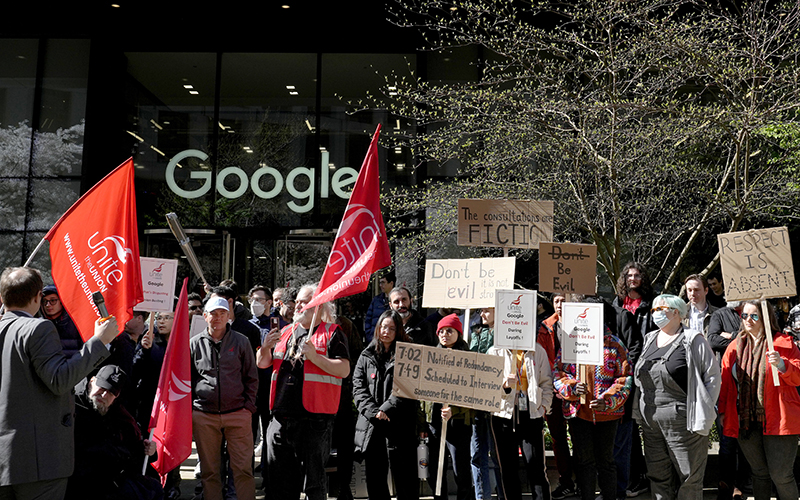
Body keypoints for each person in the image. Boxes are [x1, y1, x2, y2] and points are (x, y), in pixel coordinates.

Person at [0, 266, 118, 499]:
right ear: (37, 297)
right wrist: (100, 341)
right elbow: (59, 380)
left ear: (2, 297)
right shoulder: (39, 328)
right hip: (38, 462)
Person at [259, 283, 350, 500]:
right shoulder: (285, 332)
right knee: (280, 482)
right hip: (281, 418)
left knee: (314, 484)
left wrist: (316, 357)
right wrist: (264, 348)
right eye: (297, 301)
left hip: (314, 421)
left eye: (304, 302)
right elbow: (263, 364)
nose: (298, 306)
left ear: (319, 306)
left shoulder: (333, 333)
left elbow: (345, 369)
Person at [632, 294, 720, 500]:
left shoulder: (693, 339)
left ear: (676, 313)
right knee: (658, 476)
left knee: (689, 477)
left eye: (661, 309)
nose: (656, 314)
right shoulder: (649, 338)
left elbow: (713, 377)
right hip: (651, 422)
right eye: (654, 310)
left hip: (683, 421)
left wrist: (704, 410)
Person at [718, 300, 800, 500]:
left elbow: (798, 376)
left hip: (779, 419)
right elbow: (726, 383)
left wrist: (782, 364)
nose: (748, 320)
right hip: (746, 420)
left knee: (781, 476)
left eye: (754, 316)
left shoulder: (783, 342)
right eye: (744, 315)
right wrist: (722, 411)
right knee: (759, 474)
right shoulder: (734, 347)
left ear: (765, 318)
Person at [554, 297, 632, 500]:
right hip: (579, 413)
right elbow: (559, 372)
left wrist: (607, 400)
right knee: (584, 461)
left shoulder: (615, 345)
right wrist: (572, 387)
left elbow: (624, 378)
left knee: (606, 462)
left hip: (608, 415)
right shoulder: (571, 343)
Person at [191, 296, 259, 500]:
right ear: (205, 316)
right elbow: (188, 379)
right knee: (210, 471)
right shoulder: (194, 343)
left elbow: (251, 377)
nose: (218, 317)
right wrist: (193, 410)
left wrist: (248, 407)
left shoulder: (241, 341)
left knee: (243, 470)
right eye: (213, 313)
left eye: (222, 313)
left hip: (238, 413)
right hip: (204, 415)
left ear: (229, 316)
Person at [66, 364, 161, 500]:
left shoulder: (118, 413)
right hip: (79, 480)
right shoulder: (70, 405)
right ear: (92, 381)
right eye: (102, 388)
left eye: (111, 392)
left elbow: (131, 447)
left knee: (152, 489)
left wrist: (147, 450)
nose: (104, 395)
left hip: (111, 479)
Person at [353, 310, 420, 500]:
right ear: (377, 328)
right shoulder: (366, 355)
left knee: (405, 478)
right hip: (373, 425)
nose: (387, 332)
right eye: (384, 327)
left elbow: (407, 386)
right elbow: (358, 388)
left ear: (398, 330)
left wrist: (386, 408)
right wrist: (375, 411)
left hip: (400, 424)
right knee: (375, 478)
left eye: (392, 328)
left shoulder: (409, 353)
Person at [487, 312, 554, 500]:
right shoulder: (495, 352)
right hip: (503, 416)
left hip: (531, 414)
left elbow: (546, 383)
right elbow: (487, 388)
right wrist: (504, 385)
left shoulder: (537, 351)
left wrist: (543, 408)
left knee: (535, 467)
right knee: (508, 468)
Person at [611, 262, 655, 497]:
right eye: (629, 275)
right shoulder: (616, 305)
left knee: (643, 424)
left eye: (638, 275)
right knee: (626, 425)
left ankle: (646, 476)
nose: (633, 278)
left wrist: (633, 364)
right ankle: (634, 476)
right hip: (618, 372)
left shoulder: (651, 305)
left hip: (642, 367)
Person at [425, 314, 475, 500]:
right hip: (435, 423)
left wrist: (456, 410)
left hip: (459, 425)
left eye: (449, 330)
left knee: (460, 470)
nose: (445, 334)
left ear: (458, 333)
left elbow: (475, 395)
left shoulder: (469, 358)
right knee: (433, 471)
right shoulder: (430, 357)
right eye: (441, 331)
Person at [537, 293, 576, 499]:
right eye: (557, 301)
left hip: (577, 391)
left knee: (580, 438)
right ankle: (566, 482)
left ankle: (585, 481)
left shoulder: (583, 322)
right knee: (558, 438)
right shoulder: (545, 327)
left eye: (564, 300)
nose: (560, 304)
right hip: (553, 391)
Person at [469, 307, 504, 500]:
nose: (482, 315)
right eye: (481, 311)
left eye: (487, 311)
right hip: (477, 398)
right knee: (476, 451)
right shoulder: (475, 332)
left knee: (497, 452)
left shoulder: (507, 334)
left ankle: (502, 493)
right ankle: (482, 496)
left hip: (497, 400)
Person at [40, 284, 83, 357]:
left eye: (53, 300)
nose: (48, 305)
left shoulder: (76, 322)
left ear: (61, 301)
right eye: (44, 301)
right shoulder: (40, 325)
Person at [363, 271, 395, 342]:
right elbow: (368, 318)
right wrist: (369, 335)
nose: (380, 285)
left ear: (391, 283)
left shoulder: (396, 301)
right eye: (380, 283)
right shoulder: (376, 300)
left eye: (383, 282)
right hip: (374, 339)